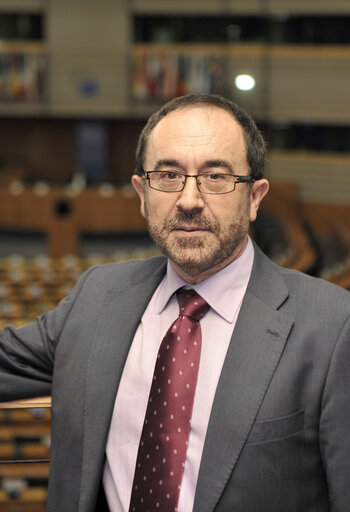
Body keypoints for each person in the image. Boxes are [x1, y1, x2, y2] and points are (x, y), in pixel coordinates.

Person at [0, 93, 350, 512]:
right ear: (142, 193)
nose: (188, 199)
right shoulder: (98, 295)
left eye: (216, 176)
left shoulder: (332, 326)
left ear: (255, 197)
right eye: (168, 175)